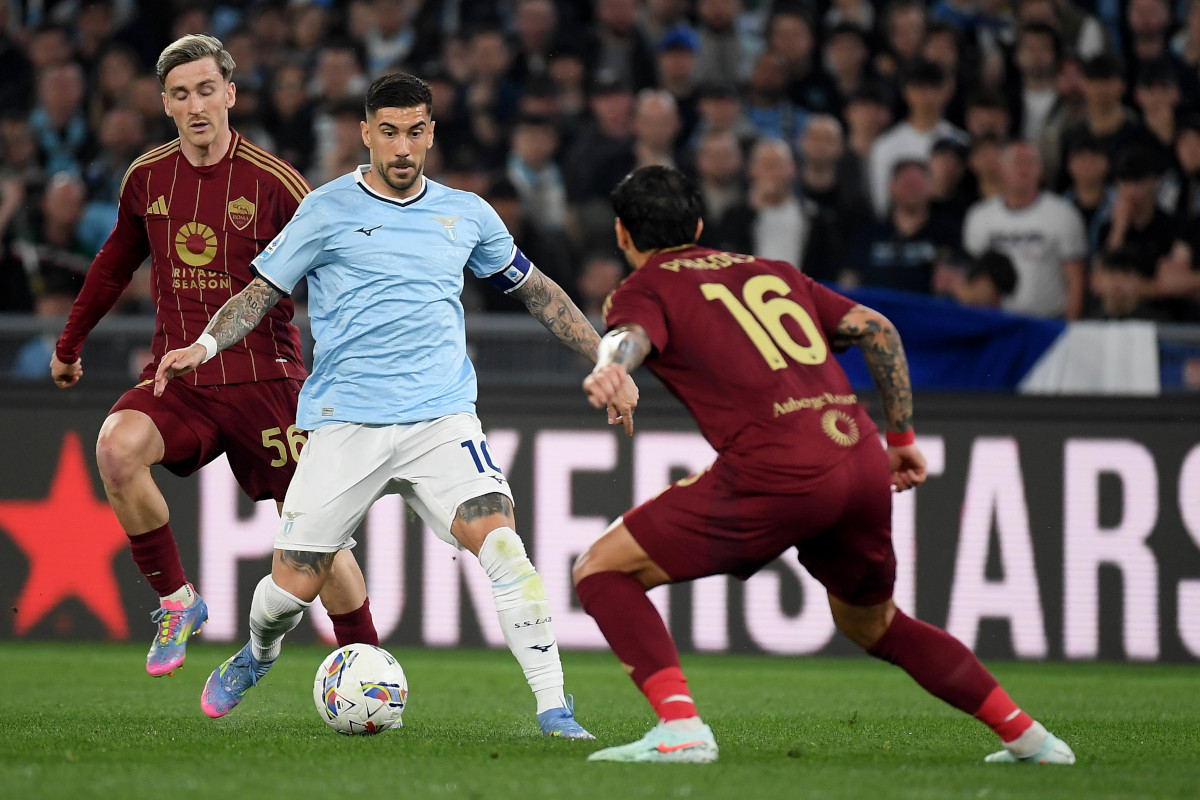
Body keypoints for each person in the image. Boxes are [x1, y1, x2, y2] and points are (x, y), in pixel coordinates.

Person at [153, 72, 638, 736]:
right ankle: (256, 654)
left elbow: (538, 293)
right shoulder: (325, 209)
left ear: (431, 133)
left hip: (440, 419)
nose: (403, 148)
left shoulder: (466, 214)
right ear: (365, 134)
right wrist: (204, 346)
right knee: (289, 590)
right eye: (389, 133)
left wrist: (606, 359)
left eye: (415, 132)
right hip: (344, 423)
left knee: (504, 546)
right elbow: (261, 294)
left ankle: (554, 707)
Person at [572, 164, 1075, 765]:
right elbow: (877, 330)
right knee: (875, 625)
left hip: (777, 469)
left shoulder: (644, 287)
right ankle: (1030, 739)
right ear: (700, 224)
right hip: (859, 456)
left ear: (623, 233)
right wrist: (901, 436)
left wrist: (613, 365)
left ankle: (680, 728)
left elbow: (629, 336)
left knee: (601, 569)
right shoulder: (773, 272)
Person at [49, 34, 378, 678]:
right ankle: (177, 601)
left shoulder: (278, 183)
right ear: (165, 105)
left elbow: (336, 275)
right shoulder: (147, 178)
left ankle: (366, 665)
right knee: (116, 448)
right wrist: (69, 344)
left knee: (317, 537)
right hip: (183, 381)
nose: (196, 105)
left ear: (229, 95)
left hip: (269, 385)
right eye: (180, 95)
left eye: (206, 91)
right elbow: (114, 265)